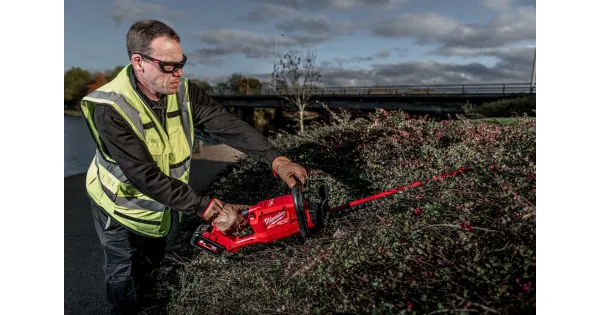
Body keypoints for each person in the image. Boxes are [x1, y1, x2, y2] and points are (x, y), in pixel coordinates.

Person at [79, 19, 309, 315]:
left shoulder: (185, 93)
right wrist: (211, 209)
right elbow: (144, 176)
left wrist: (277, 159)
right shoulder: (110, 108)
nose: (179, 72)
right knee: (124, 277)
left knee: (152, 266)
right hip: (119, 207)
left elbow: (230, 127)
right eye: (169, 66)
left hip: (161, 207)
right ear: (139, 62)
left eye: (182, 62)